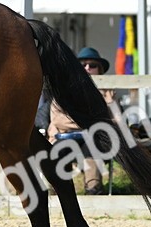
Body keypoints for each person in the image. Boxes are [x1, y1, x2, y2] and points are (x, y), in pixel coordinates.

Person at [48, 47, 113, 194]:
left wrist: (110, 105)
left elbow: (114, 121)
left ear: (100, 69)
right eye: (83, 65)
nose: (87, 68)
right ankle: (59, 191)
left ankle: (94, 189)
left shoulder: (108, 91)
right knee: (60, 149)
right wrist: (89, 123)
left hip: (95, 138)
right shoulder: (63, 88)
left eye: (93, 65)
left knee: (92, 147)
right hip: (67, 136)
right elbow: (58, 119)